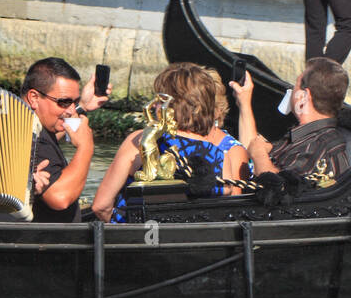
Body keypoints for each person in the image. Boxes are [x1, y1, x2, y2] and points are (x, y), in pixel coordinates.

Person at [91, 63, 247, 222]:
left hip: (139, 239)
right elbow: (225, 213)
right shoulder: (221, 156)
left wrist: (121, 225)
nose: (155, 105)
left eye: (158, 100)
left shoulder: (140, 140)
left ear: (168, 107)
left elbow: (101, 206)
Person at [231, 57, 351, 186]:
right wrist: (244, 103)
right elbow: (252, 147)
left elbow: (281, 189)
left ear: (303, 96)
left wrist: (260, 154)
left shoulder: (314, 147)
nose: (291, 90)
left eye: (295, 85)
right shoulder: (311, 137)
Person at [22, 57, 111, 222]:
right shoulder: (27, 136)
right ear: (34, 98)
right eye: (63, 102)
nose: (71, 110)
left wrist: (83, 106)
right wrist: (86, 146)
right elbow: (60, 197)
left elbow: (50, 138)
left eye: (74, 102)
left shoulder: (27, 125)